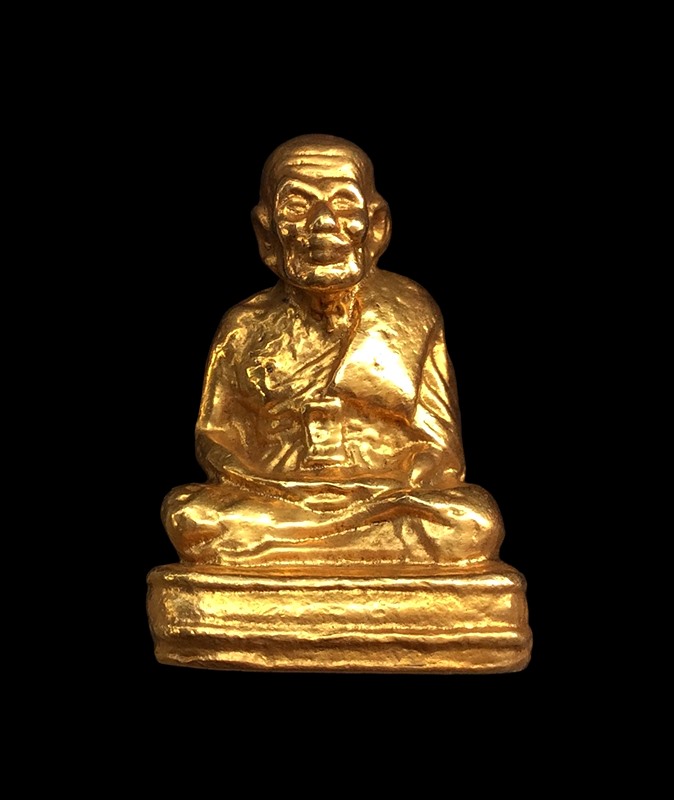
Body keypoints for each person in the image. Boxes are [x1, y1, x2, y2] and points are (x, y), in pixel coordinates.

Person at [161, 134, 505, 567]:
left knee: (472, 521)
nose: (323, 221)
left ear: (375, 224)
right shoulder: (244, 324)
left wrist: (392, 485)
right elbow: (215, 438)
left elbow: (443, 450)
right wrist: (272, 484)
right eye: (297, 205)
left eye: (343, 203)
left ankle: (281, 546)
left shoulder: (409, 310)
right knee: (191, 515)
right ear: (266, 229)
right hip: (278, 496)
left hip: (383, 498)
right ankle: (312, 540)